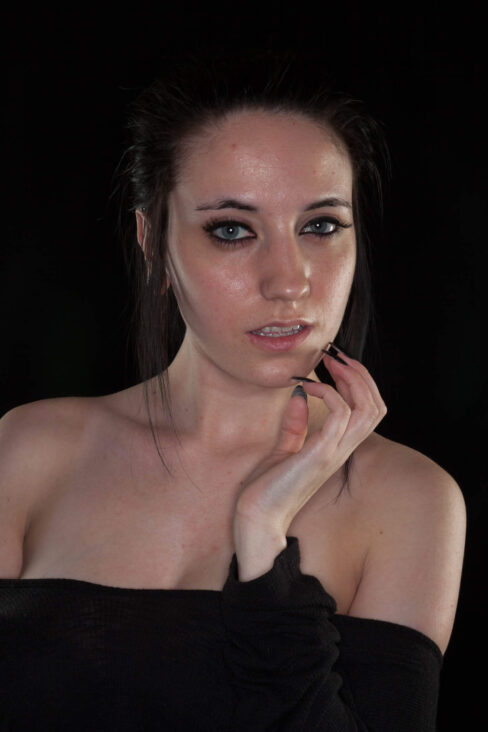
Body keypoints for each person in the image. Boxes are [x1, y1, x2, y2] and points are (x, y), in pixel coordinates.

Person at [0, 49, 466, 730]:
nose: (289, 281)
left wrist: (263, 536)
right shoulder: (26, 449)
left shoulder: (411, 500)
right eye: (232, 230)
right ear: (152, 242)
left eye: (321, 226)